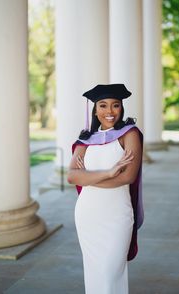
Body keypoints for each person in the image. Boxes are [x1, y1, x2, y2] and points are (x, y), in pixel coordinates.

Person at [67, 84, 144, 294]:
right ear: (95, 110)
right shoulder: (86, 139)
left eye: (115, 105)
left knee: (111, 273)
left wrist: (88, 178)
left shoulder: (129, 134)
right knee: (94, 274)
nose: (109, 111)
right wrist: (109, 173)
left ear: (121, 108)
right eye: (103, 105)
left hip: (116, 214)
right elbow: (72, 176)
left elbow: (127, 176)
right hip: (88, 214)